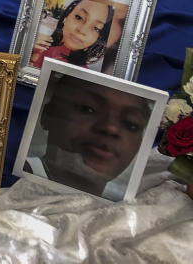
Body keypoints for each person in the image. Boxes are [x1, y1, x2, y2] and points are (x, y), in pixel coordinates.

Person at [24, 73, 152, 200]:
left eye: (131, 124)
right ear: (47, 114)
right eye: (87, 109)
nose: (111, 128)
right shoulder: (15, 180)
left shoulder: (127, 208)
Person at [30, 0, 114, 70]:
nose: (82, 30)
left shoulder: (82, 76)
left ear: (99, 38)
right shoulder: (36, 45)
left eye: (96, 28)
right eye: (79, 17)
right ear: (67, 16)